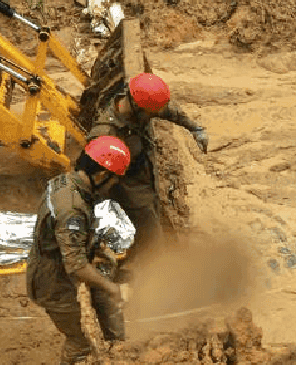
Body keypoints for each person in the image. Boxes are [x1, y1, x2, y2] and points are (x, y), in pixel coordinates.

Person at [26, 135, 131, 365]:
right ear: (101, 175)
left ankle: (117, 352)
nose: (114, 186)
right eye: (114, 179)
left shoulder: (66, 182)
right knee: (81, 342)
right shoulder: (71, 209)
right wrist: (112, 288)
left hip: (61, 264)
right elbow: (76, 265)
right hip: (53, 281)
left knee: (106, 305)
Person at [85, 72, 208, 261]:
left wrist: (194, 128)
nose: (154, 115)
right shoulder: (106, 135)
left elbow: (167, 110)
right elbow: (93, 182)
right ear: (137, 107)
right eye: (151, 113)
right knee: (151, 244)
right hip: (130, 195)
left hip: (146, 179)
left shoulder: (137, 105)